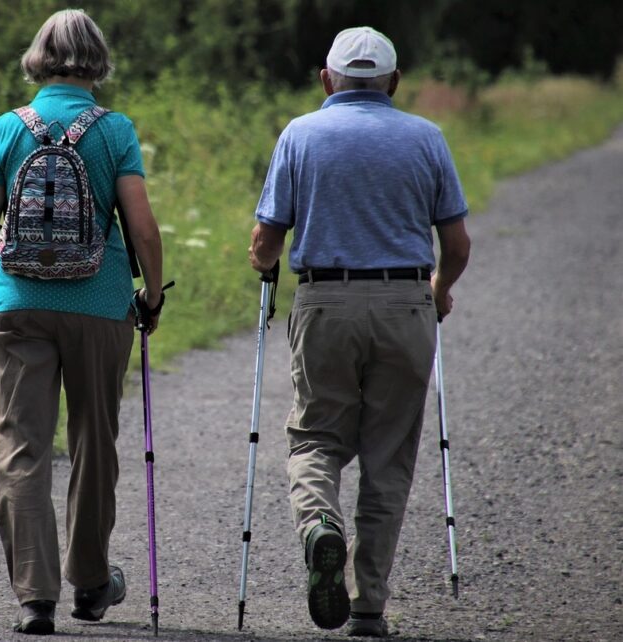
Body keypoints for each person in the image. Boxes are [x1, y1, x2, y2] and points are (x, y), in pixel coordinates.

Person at [248, 26, 470, 638]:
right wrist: (439, 289)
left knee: (316, 438)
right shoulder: (426, 138)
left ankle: (321, 523)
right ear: (394, 83)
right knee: (388, 457)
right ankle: (368, 603)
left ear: (327, 79)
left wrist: (262, 262)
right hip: (405, 304)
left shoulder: (301, 134)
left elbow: (267, 242)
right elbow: (456, 244)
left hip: (325, 302)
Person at [0, 9, 164, 635]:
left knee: (21, 446)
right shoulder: (115, 130)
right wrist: (150, 297)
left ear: (39, 58)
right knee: (93, 443)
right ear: (97, 60)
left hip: (17, 305)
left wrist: (1, 269)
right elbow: (141, 226)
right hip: (100, 304)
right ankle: (92, 584)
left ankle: (35, 597)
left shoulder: (8, 126)